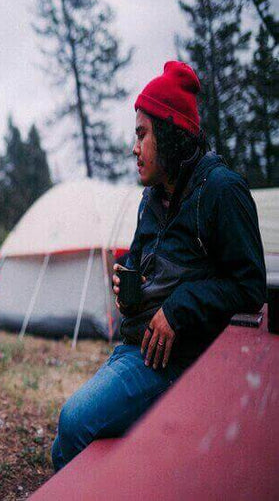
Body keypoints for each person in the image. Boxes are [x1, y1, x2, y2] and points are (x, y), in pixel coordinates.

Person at [51, 61, 266, 472]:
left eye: (142, 134)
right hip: (138, 346)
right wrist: (127, 288)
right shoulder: (152, 199)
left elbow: (250, 286)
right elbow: (139, 260)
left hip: (179, 361)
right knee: (64, 444)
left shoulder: (221, 191)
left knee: (74, 422)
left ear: (168, 133)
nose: (134, 147)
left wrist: (179, 308)